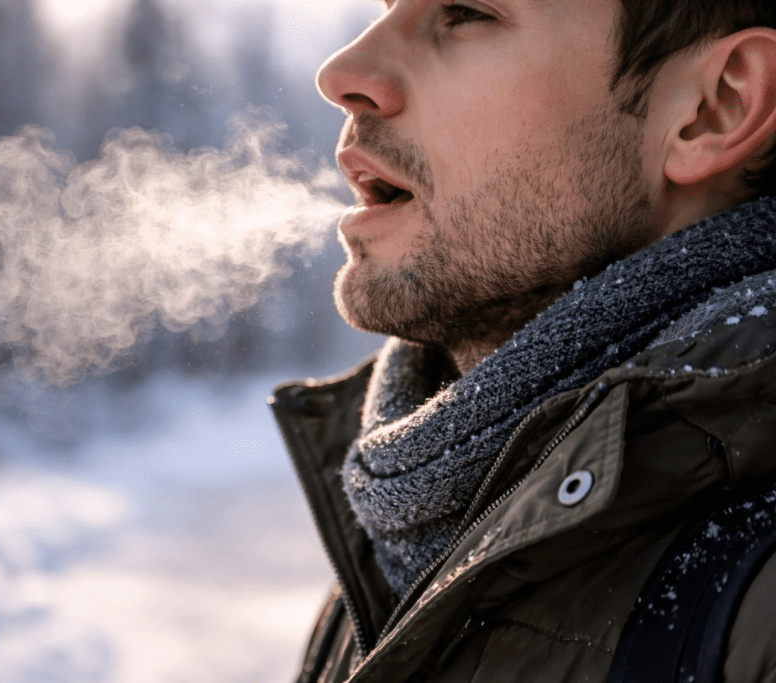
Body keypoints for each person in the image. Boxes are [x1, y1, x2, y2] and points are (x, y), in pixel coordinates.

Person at [269, 1, 776, 681]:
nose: (343, 72)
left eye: (466, 12)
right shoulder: (412, 529)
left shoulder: (757, 605)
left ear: (713, 108)